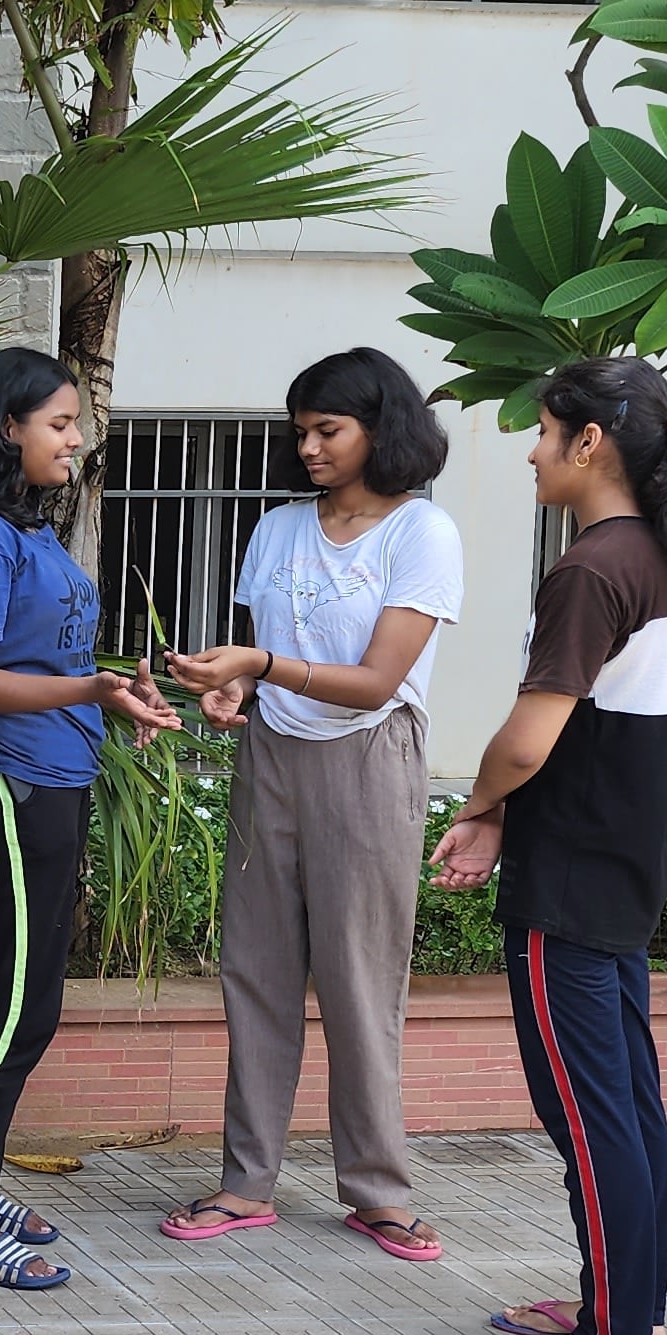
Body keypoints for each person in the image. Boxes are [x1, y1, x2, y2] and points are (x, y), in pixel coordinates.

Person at [429, 356, 667, 1335]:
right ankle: (628, 1307)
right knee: (626, 1100)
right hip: (621, 863)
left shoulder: (591, 569)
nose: (528, 449)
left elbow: (528, 740)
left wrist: (480, 806)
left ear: (589, 444)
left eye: (540, 430)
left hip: (568, 873)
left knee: (587, 1109)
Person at [159, 349, 461, 1261]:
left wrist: (258, 667)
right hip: (272, 755)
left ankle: (377, 1189)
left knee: (361, 975)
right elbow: (268, 655)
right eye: (303, 433)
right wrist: (231, 693)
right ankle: (246, 1183)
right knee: (255, 968)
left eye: (329, 430)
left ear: (383, 428)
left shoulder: (420, 534)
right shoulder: (280, 527)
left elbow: (373, 681)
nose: (312, 448)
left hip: (368, 760)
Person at [0, 349, 179, 1292]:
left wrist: (111, 694)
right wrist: (92, 688)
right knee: (20, 1004)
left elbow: (35, 657)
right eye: (59, 423)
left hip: (45, 775)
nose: (77, 438)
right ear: (4, 429)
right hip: (3, 780)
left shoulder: (15, 527)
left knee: (0, 989)